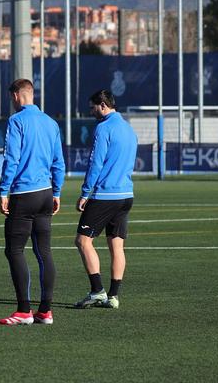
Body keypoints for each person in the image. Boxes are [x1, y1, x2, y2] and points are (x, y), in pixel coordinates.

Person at [0, 78, 65, 326]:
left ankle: (24, 310)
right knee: (43, 251)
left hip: (23, 194)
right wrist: (57, 192)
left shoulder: (16, 121)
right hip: (46, 193)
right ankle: (45, 311)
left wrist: (4, 190)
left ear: (16, 95)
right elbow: (59, 161)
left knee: (14, 250)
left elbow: (11, 159)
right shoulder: (51, 122)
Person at [73, 90, 137, 310]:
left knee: (83, 241)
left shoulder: (104, 128)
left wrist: (85, 192)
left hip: (106, 195)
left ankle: (97, 291)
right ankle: (113, 296)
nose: (91, 112)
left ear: (102, 105)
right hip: (126, 195)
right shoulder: (129, 129)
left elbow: (95, 163)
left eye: (92, 107)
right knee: (116, 245)